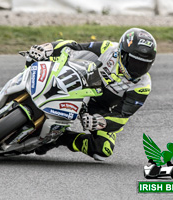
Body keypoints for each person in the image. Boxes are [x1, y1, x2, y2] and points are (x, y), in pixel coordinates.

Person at [26, 28, 157, 161]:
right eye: (134, 63)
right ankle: (22, 83)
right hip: (81, 85)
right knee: (42, 55)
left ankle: (59, 138)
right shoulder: (108, 48)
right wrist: (48, 48)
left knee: (103, 149)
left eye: (144, 65)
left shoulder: (143, 86)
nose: (138, 69)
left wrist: (102, 122)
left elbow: (122, 116)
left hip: (99, 110)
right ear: (121, 53)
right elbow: (75, 47)